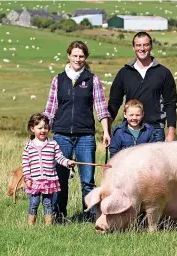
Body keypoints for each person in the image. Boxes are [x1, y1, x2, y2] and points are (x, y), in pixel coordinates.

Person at [43, 40, 111, 222]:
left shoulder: (92, 79)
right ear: (69, 56)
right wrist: (43, 132)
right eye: (75, 55)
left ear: (85, 58)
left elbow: (101, 108)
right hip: (61, 135)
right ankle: (59, 216)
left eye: (81, 56)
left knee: (87, 180)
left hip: (85, 136)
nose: (78, 59)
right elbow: (50, 109)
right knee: (60, 177)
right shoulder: (58, 79)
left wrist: (105, 132)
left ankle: (89, 216)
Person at [108, 31, 177, 142]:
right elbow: (114, 102)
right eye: (138, 45)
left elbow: (170, 104)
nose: (142, 48)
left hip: (156, 130)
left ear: (151, 47)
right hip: (130, 130)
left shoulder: (163, 73)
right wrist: (107, 128)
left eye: (146, 45)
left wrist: (171, 133)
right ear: (133, 47)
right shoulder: (124, 72)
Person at [22, 113, 76, 226]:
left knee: (48, 203)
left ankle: (48, 225)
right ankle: (30, 225)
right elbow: (25, 164)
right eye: (40, 128)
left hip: (49, 180)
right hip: (35, 181)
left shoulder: (53, 144)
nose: (43, 130)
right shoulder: (29, 146)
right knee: (34, 203)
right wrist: (27, 178)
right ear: (32, 128)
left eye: (45, 128)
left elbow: (60, 158)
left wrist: (68, 162)